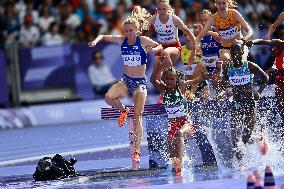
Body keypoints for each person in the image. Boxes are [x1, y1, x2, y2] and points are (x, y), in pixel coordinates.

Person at [88, 7, 163, 170]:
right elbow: (103, 36)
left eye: (131, 30)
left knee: (138, 116)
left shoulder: (142, 40)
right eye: (126, 30)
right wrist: (95, 41)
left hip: (140, 83)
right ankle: (123, 110)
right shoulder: (121, 40)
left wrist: (153, 49)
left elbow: (160, 47)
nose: (128, 33)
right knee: (108, 97)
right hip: (126, 80)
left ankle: (136, 151)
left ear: (136, 30)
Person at [220, 41, 269, 167]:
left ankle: (259, 138)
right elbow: (225, 85)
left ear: (242, 52)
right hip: (236, 104)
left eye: (237, 50)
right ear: (230, 54)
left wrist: (259, 92)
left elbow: (266, 78)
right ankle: (241, 163)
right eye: (233, 51)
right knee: (234, 135)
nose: (235, 53)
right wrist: (225, 92)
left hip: (250, 104)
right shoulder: (227, 68)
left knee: (245, 138)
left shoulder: (249, 65)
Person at [150, 63, 204, 175]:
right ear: (164, 79)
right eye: (167, 79)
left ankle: (180, 165)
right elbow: (153, 79)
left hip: (185, 123)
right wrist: (160, 66)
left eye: (172, 79)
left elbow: (197, 80)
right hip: (172, 125)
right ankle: (177, 171)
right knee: (173, 160)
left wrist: (203, 73)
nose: (169, 81)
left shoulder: (182, 86)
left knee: (179, 134)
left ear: (176, 79)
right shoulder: (163, 90)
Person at [247, 36, 284, 147]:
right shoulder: (280, 44)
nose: (273, 50)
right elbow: (265, 41)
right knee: (281, 111)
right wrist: (252, 42)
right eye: (273, 49)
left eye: (274, 49)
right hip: (279, 83)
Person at [147, 0, 195, 72]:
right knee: (154, 74)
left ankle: (173, 74)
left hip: (174, 46)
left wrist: (195, 41)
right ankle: (162, 79)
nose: (161, 11)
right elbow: (142, 27)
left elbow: (187, 30)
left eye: (164, 9)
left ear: (168, 8)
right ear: (156, 9)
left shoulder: (174, 19)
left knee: (165, 53)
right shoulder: (154, 18)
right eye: (159, 9)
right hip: (161, 47)